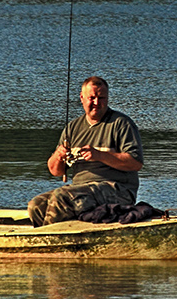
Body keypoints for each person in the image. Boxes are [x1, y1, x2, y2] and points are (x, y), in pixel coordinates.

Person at [28, 76, 143, 226]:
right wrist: (58, 156)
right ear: (82, 98)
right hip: (81, 189)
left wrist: (100, 155)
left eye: (101, 98)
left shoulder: (121, 124)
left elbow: (135, 163)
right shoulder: (73, 128)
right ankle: (47, 239)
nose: (96, 103)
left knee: (61, 197)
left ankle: (49, 240)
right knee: (36, 205)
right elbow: (55, 171)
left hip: (117, 189)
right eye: (92, 98)